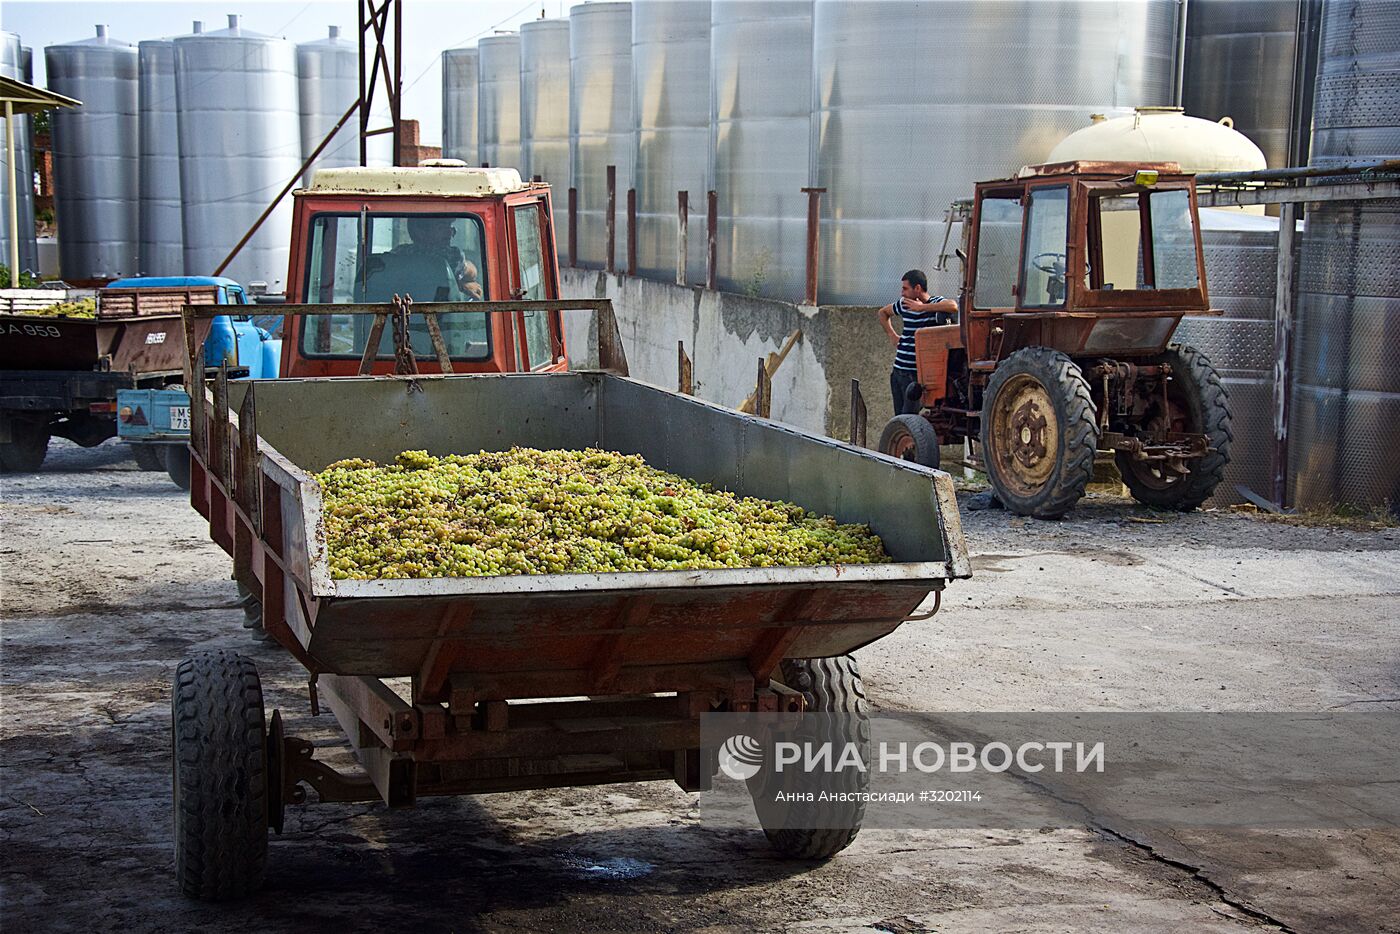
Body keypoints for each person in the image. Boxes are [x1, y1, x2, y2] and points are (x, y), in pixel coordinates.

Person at [877, 269, 958, 416]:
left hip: (915, 376)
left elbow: (953, 306)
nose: (902, 293)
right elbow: (882, 313)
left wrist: (922, 307)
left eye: (905, 289)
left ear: (918, 288)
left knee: (909, 417)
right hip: (898, 371)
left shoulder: (935, 303)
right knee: (899, 418)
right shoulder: (904, 304)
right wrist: (892, 335)